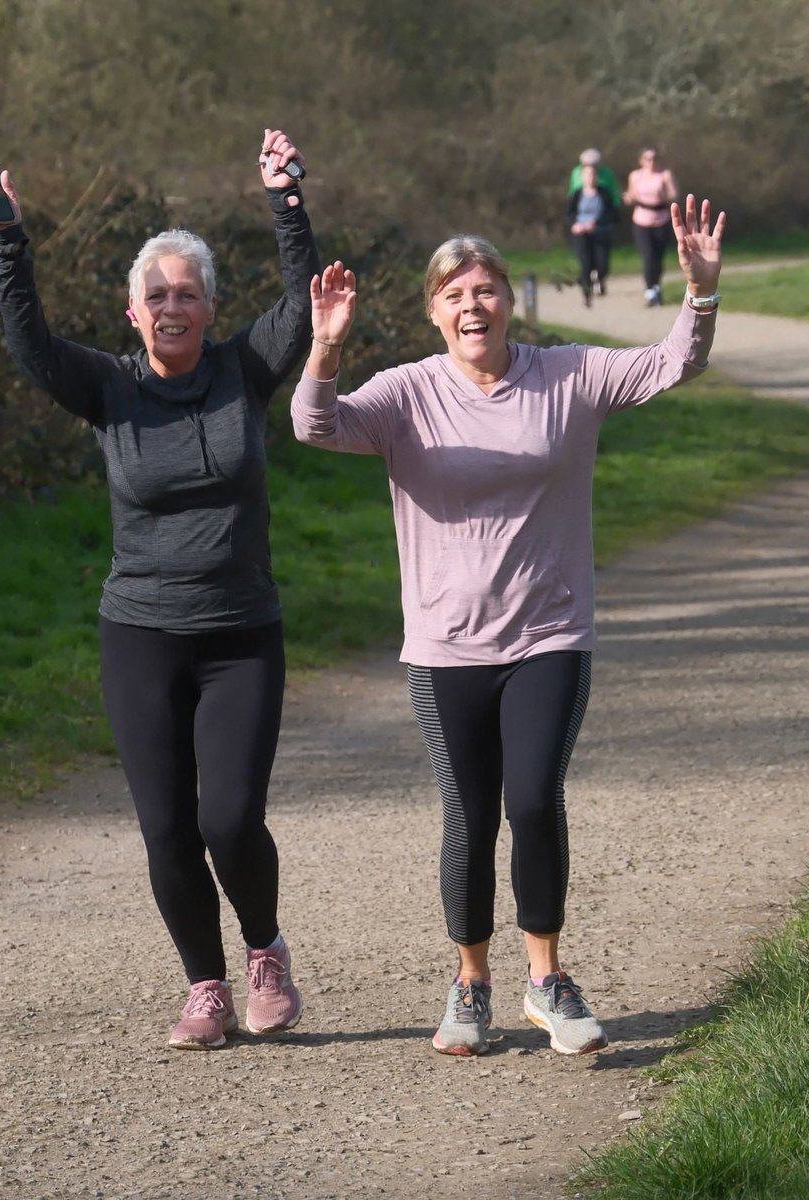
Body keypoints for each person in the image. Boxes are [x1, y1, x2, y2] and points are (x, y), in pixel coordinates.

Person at [291, 196, 725, 1058]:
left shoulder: (570, 376)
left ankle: (546, 980)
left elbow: (674, 361)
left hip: (548, 635)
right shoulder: (407, 393)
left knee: (531, 799)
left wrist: (701, 292)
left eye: (485, 289)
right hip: (445, 645)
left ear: (508, 301)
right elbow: (315, 424)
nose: (472, 306)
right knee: (469, 814)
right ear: (433, 311)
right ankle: (470, 984)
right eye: (454, 294)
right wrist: (327, 348)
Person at [0, 128, 320, 1051]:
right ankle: (207, 987)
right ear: (132, 311)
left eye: (187, 293)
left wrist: (286, 201)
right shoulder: (108, 389)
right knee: (166, 826)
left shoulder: (243, 371)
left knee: (229, 818)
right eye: (156, 295)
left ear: (210, 307)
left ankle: (266, 951)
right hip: (141, 635)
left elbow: (301, 307)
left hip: (241, 633)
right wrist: (8, 240)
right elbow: (31, 344)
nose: (172, 306)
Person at [622, 147, 679, 306]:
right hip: (641, 220)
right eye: (648, 159)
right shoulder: (635, 176)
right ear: (641, 161)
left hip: (661, 219)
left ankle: (656, 287)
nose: (652, 161)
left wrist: (663, 195)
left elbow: (674, 194)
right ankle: (649, 291)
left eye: (654, 158)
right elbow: (631, 194)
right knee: (648, 256)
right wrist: (628, 198)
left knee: (658, 257)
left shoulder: (665, 175)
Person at [565, 162, 618, 305]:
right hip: (581, 234)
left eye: (593, 174)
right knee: (585, 264)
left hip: (600, 233)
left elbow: (612, 215)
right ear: (582, 177)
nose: (591, 177)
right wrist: (575, 225)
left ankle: (599, 279)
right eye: (588, 174)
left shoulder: (604, 193)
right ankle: (586, 292)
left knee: (602, 265)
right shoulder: (577, 194)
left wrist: (596, 222)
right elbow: (569, 214)